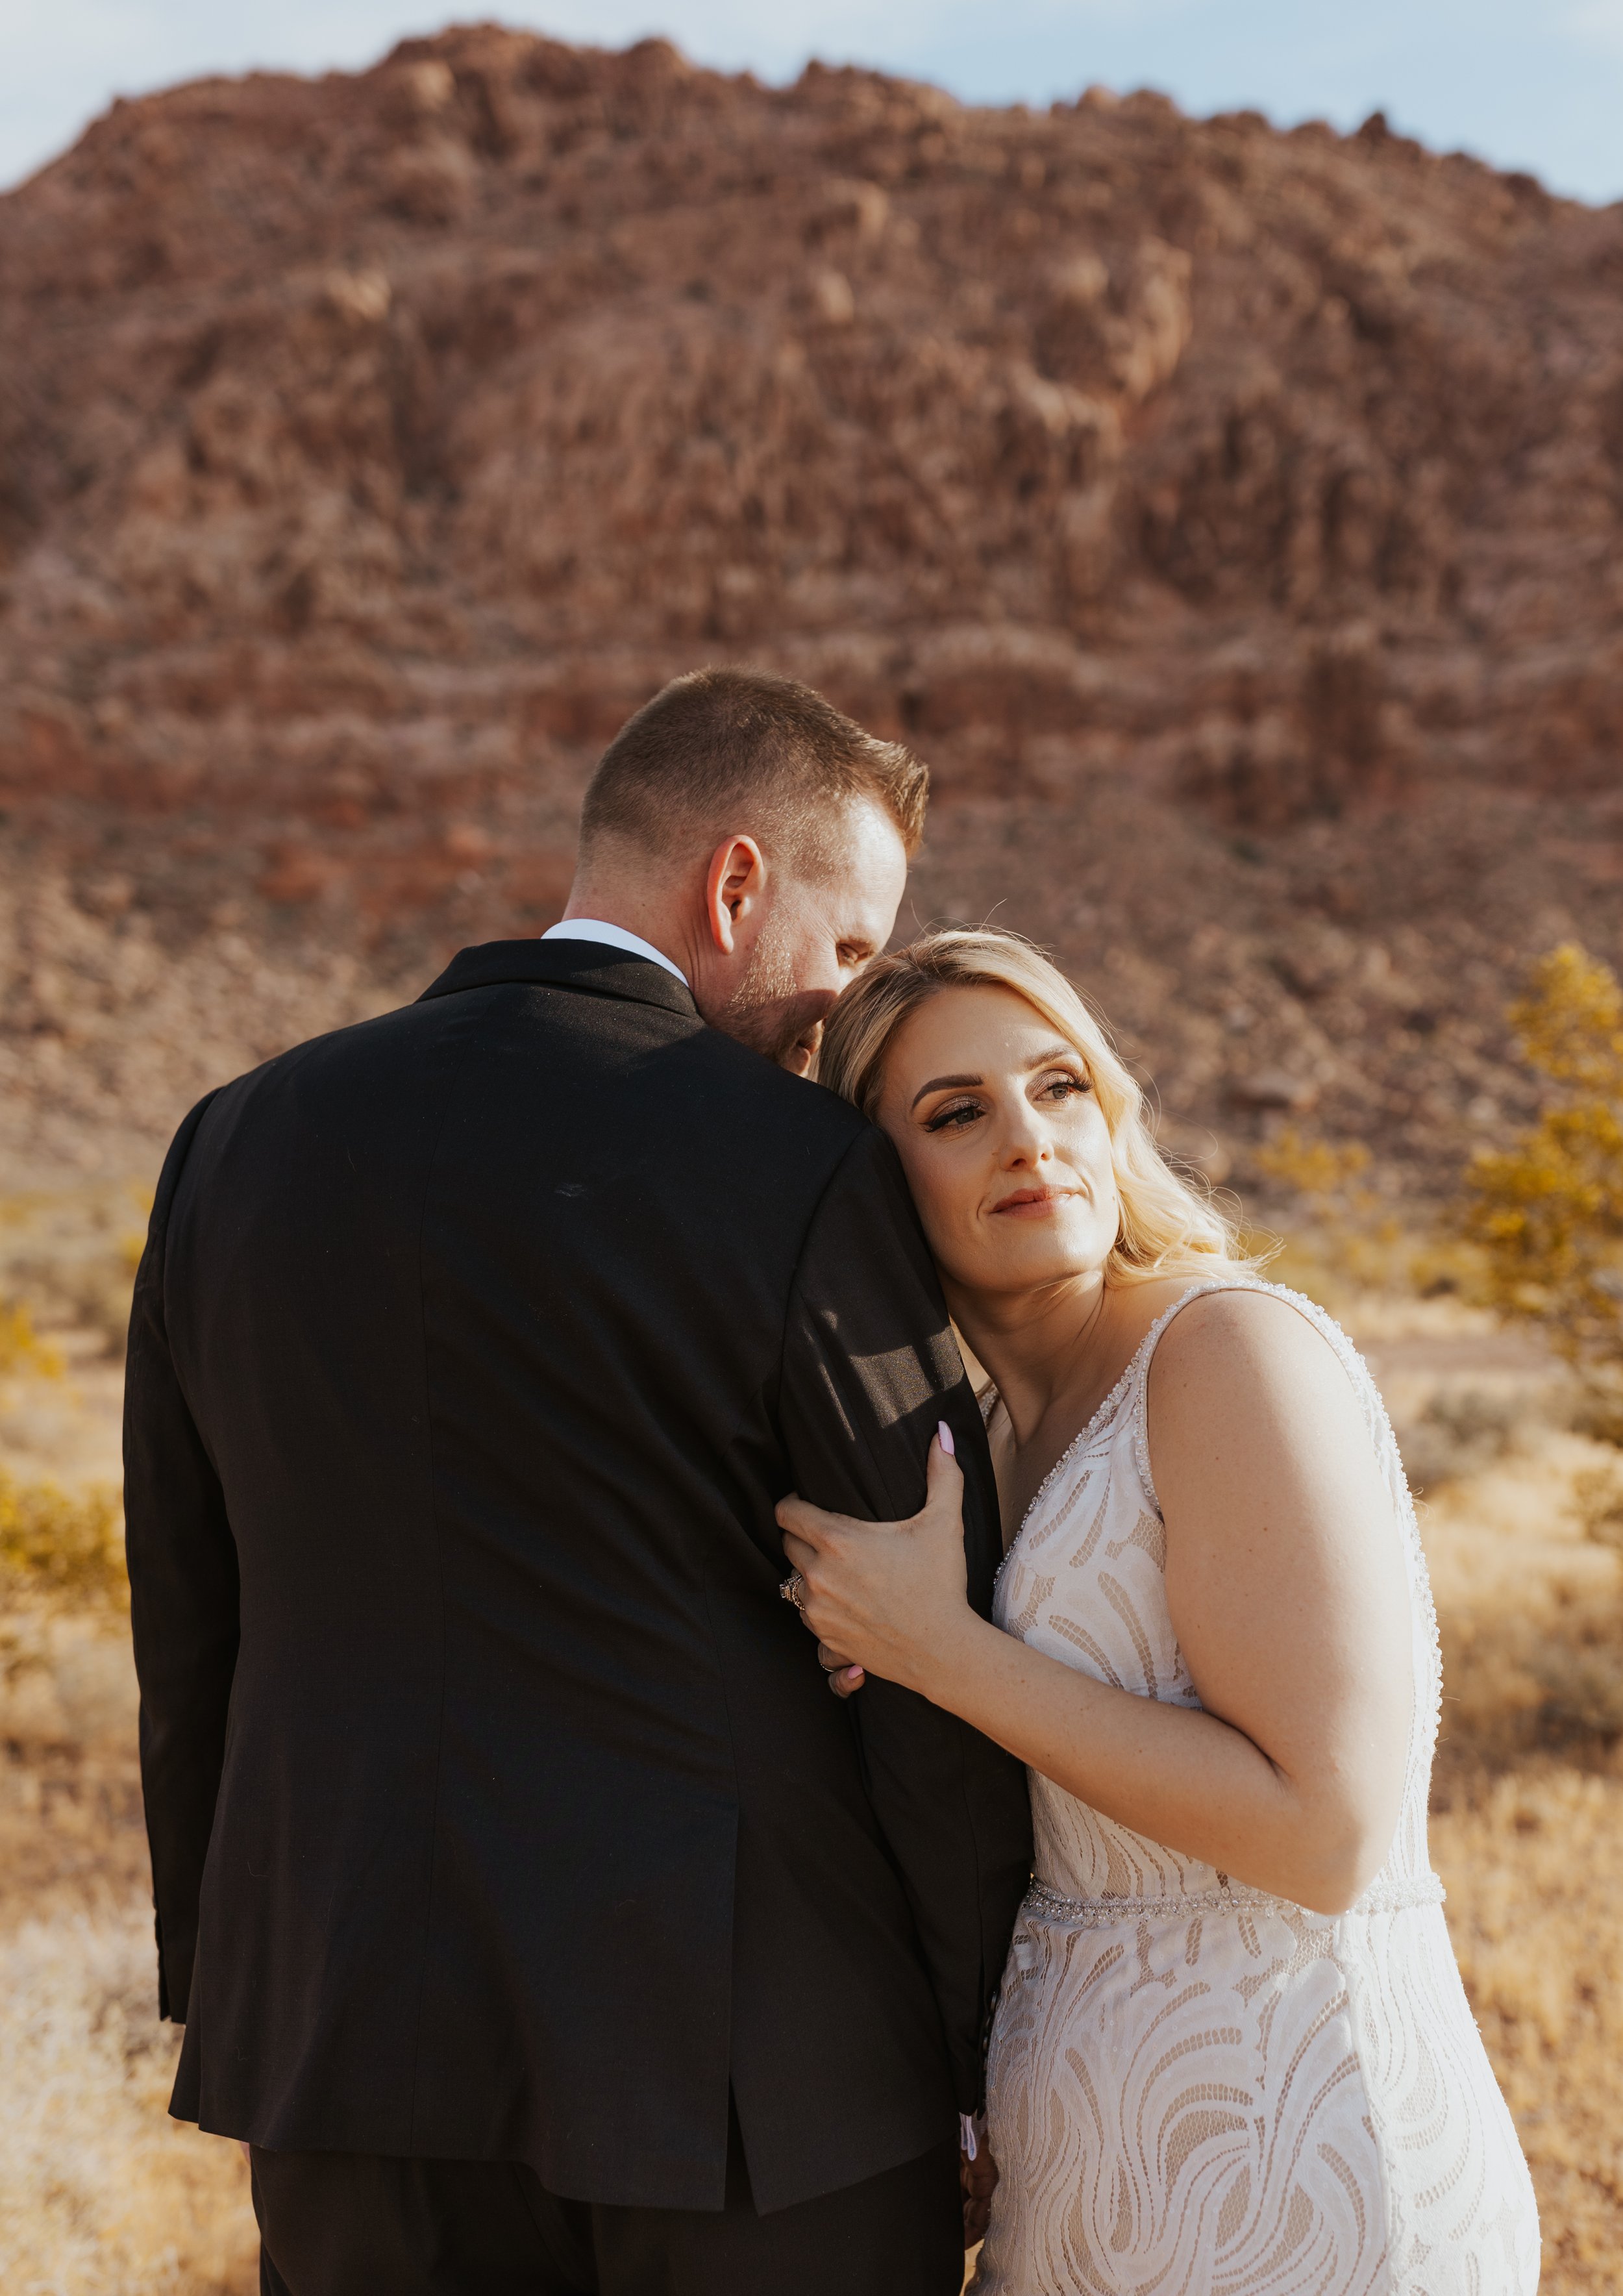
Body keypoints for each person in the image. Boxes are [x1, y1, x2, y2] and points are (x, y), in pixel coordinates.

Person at [123, 673, 1032, 2296]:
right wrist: (975, 2037)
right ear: (733, 883)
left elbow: (192, 1611)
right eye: (843, 947)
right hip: (756, 2071)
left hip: (347, 2044)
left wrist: (234, 1974)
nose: (839, 1006)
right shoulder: (801, 1162)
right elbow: (920, 1637)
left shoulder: (230, 1141)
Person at [779, 927, 1540, 2295]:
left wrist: (940, 1652)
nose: (1028, 1136)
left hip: (1293, 2150)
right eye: (957, 1113)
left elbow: (1323, 1831)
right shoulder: (994, 1434)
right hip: (1083, 2164)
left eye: (1057, 1084)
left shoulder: (1222, 1350)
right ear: (871, 1182)